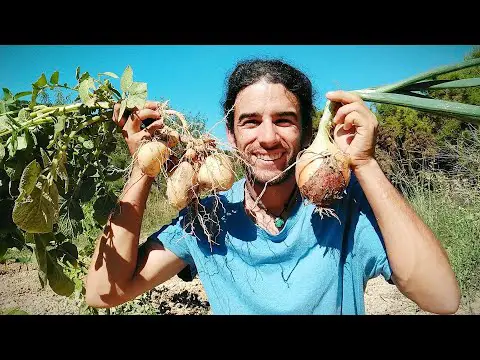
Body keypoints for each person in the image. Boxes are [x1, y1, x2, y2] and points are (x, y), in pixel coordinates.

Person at [85, 58, 461, 315]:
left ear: (308, 133)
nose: (267, 137)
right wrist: (143, 166)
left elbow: (442, 297)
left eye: (284, 120)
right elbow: (104, 292)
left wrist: (364, 163)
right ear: (231, 134)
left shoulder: (346, 209)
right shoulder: (208, 219)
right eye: (250, 121)